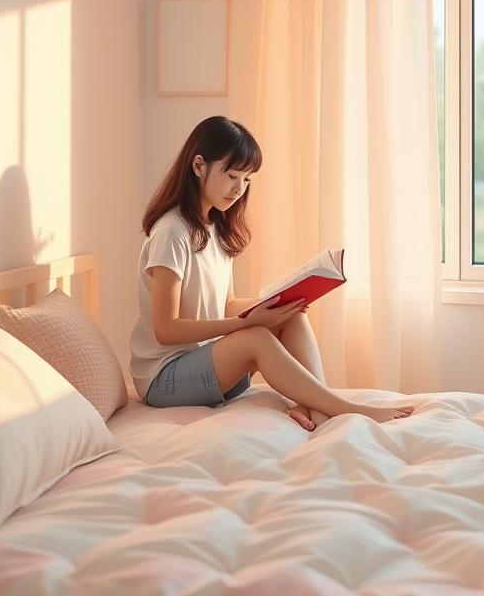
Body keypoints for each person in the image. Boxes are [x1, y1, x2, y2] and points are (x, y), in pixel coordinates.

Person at [128, 115, 414, 429]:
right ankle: (341, 407)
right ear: (199, 166)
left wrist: (277, 304)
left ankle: (316, 407)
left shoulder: (216, 228)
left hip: (206, 367)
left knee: (289, 314)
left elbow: (226, 305)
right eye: (232, 175)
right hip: (164, 378)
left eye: (247, 180)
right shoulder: (171, 231)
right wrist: (247, 322)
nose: (239, 189)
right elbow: (165, 329)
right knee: (257, 338)